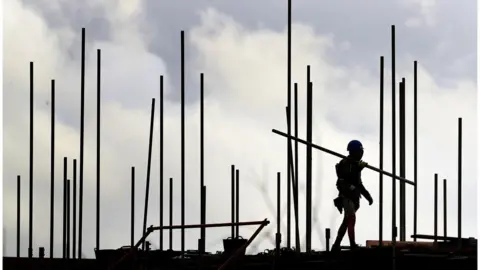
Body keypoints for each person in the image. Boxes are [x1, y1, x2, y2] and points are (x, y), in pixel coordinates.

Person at [331, 140, 373, 252]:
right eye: (360, 152)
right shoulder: (347, 164)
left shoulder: (354, 164)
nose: (361, 154)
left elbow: (358, 183)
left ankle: (336, 245)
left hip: (353, 197)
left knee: (346, 221)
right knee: (351, 218)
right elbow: (346, 179)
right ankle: (352, 244)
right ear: (354, 152)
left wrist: (367, 196)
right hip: (347, 196)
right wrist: (358, 168)